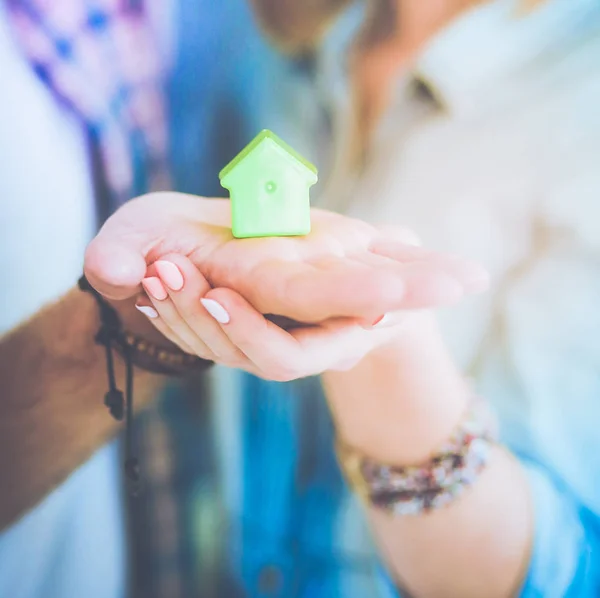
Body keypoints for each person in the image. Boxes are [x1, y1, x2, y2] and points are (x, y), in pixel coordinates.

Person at [1, 3, 599, 598]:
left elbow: (574, 570)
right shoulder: (258, 45)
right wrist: (148, 311)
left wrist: (386, 353)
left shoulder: (581, 90)